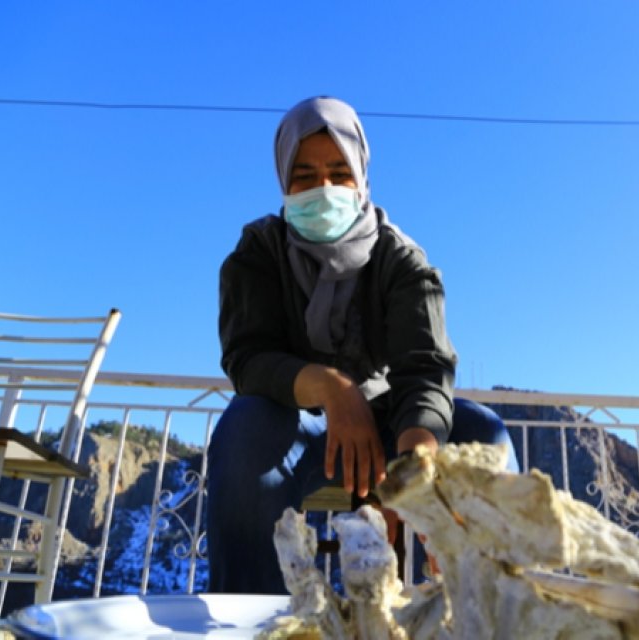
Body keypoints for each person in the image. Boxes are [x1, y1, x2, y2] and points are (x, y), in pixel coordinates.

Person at [207, 96, 518, 594]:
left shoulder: (400, 259)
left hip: (393, 418)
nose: (323, 189)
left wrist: (414, 468)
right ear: (282, 180)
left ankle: (490, 608)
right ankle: (248, 614)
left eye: (339, 172)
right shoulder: (259, 253)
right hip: (298, 420)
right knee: (244, 433)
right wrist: (332, 390)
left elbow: (426, 367)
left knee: (486, 435)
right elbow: (248, 357)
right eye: (303, 175)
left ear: (361, 174)